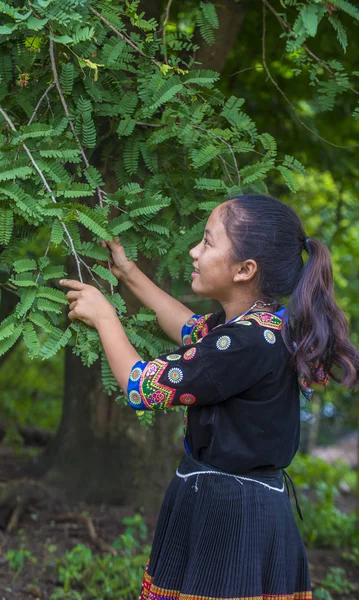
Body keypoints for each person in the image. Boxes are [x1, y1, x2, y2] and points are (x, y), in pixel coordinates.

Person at [60, 194, 359, 600]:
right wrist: (129, 274)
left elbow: (139, 385)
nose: (194, 252)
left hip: (230, 517)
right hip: (243, 506)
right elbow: (188, 327)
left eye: (208, 242)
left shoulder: (243, 344)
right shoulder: (264, 328)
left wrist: (104, 316)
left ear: (245, 269)